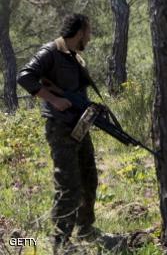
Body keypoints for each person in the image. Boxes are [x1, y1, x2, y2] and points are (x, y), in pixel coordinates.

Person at [17, 14, 100, 253]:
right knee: (68, 183)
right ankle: (60, 241)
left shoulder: (74, 56)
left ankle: (86, 229)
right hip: (60, 127)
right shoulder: (50, 52)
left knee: (89, 178)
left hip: (80, 125)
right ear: (80, 31)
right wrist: (53, 99)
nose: (90, 37)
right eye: (89, 31)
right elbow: (24, 76)